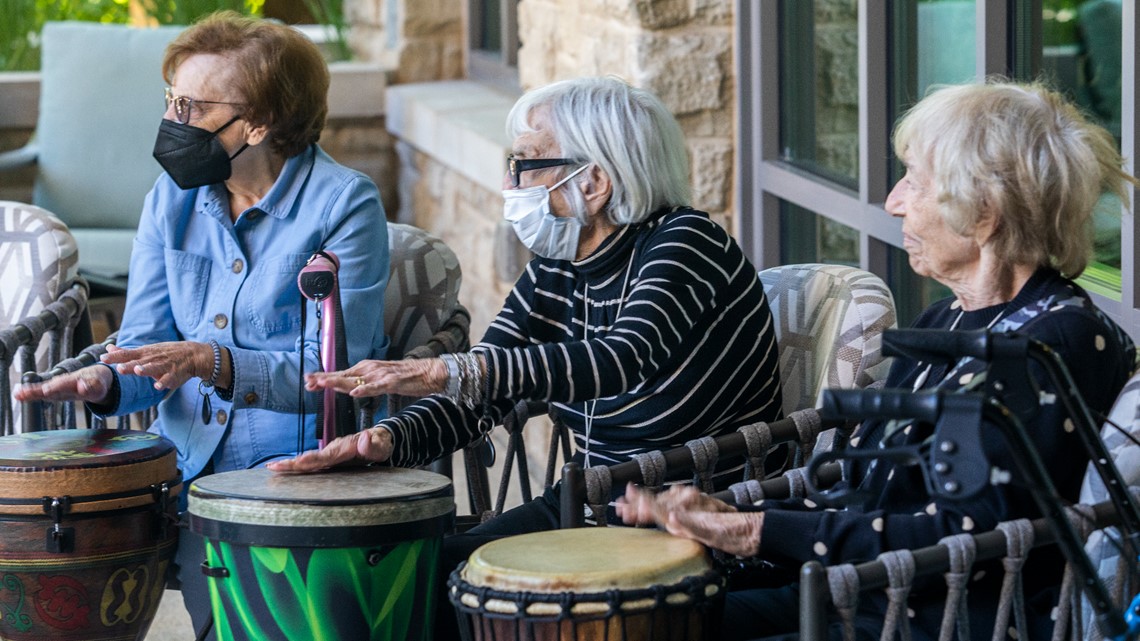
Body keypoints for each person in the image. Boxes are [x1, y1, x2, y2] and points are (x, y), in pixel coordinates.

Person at [618, 80, 1138, 641]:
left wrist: (755, 531)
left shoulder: (1047, 348)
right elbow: (873, 488)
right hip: (856, 591)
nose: (892, 201)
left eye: (914, 180)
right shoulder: (948, 320)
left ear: (983, 213)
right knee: (640, 621)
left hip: (933, 622)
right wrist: (728, 516)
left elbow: (959, 541)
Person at [269, 76, 784, 638]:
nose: (510, 181)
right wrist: (384, 442)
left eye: (527, 162)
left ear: (594, 182)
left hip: (696, 522)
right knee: (405, 581)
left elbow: (622, 356)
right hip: (593, 506)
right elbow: (486, 391)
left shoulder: (686, 242)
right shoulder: (559, 261)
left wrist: (448, 369)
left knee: (463, 603)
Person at [15, 12, 389, 640]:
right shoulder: (172, 198)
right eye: (171, 100)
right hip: (185, 472)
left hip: (296, 475)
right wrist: (104, 384)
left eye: (192, 106)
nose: (173, 122)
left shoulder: (344, 206)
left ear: (259, 123)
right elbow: (146, 344)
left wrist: (209, 362)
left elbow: (337, 380)